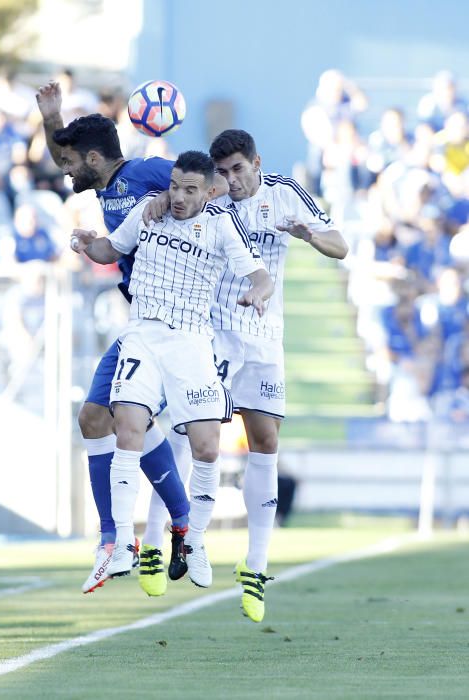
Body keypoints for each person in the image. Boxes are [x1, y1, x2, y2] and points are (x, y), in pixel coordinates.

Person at [144, 129, 347, 620]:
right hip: (214, 331)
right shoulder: (209, 200)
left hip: (265, 338)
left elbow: (340, 246)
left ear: (256, 162)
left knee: (266, 443)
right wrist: (154, 202)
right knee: (192, 433)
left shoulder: (284, 194)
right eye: (224, 172)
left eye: (238, 169)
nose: (231, 180)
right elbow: (171, 199)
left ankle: (255, 566)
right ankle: (156, 539)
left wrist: (311, 237)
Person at [71, 150, 272, 591]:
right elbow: (112, 248)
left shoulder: (221, 226)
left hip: (191, 341)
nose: (178, 196)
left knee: (206, 449)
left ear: (210, 191)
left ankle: (195, 541)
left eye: (189, 189)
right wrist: (86, 242)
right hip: (142, 333)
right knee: (127, 425)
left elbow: (260, 275)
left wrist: (258, 292)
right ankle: (124, 540)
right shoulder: (150, 211)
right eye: (174, 186)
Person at [36, 82, 194, 595]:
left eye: (71, 162)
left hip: (177, 325)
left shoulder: (145, 173)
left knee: (126, 417)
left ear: (97, 157)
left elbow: (203, 187)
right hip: (140, 321)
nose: (64, 169)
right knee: (95, 416)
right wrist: (54, 116)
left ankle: (124, 538)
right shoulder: (105, 189)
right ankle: (159, 529)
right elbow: (64, 154)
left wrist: (173, 199)